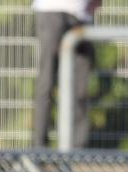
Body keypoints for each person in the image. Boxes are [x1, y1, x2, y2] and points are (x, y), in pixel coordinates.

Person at [31, 0, 101, 148]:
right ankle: (39, 148)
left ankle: (77, 149)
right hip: (51, 10)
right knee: (47, 81)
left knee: (80, 86)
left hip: (81, 15)